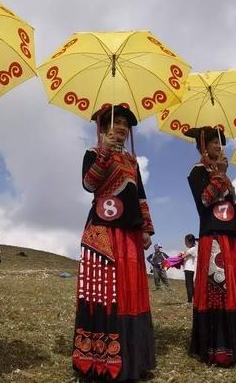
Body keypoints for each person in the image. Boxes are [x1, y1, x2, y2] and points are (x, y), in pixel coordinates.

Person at [72, 105, 156, 381]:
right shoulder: (93, 154)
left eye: (124, 124)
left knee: (130, 293)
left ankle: (133, 359)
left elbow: (141, 197)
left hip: (129, 235)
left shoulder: (132, 162)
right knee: (105, 295)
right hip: (103, 233)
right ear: (102, 128)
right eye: (115, 122)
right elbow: (89, 183)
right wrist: (105, 151)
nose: (121, 127)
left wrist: (146, 228)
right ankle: (99, 360)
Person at [185, 126, 236, 366]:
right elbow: (204, 200)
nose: (218, 146)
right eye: (213, 142)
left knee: (232, 285)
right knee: (217, 286)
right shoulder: (197, 172)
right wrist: (219, 176)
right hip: (212, 236)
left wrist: (225, 178)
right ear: (202, 146)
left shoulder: (224, 174)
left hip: (230, 235)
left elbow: (232, 204)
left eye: (220, 142)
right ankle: (215, 346)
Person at [180, 234, 197, 303]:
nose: (185, 243)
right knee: (190, 285)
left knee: (189, 285)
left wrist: (177, 258)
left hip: (189, 269)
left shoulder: (193, 249)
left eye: (186, 242)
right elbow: (184, 253)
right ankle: (194, 299)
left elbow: (183, 256)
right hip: (189, 269)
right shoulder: (191, 249)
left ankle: (190, 300)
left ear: (191, 242)